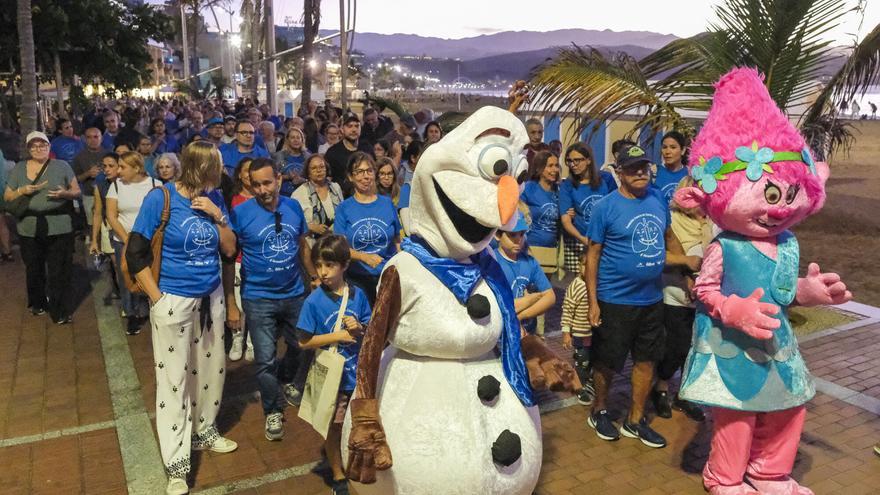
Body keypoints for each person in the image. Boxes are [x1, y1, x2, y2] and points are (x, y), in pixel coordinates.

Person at [127, 141, 237, 495]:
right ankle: (177, 463)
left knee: (211, 367)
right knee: (174, 381)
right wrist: (157, 299)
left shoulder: (213, 199)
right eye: (214, 168)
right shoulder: (161, 199)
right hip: (173, 297)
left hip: (211, 297)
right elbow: (135, 251)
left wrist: (217, 216)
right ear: (198, 168)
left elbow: (230, 248)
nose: (218, 175)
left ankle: (205, 429)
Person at [584, 144, 697, 449]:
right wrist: (593, 301)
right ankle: (600, 410)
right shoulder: (605, 207)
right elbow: (592, 255)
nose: (639, 173)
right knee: (607, 362)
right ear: (619, 173)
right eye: (632, 168)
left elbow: (669, 238)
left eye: (643, 167)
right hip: (614, 300)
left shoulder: (658, 199)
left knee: (647, 361)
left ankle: (635, 420)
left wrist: (687, 271)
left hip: (651, 299)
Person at [231, 157, 316, 441]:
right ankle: (272, 410)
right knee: (265, 359)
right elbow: (229, 256)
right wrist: (232, 300)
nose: (263, 189)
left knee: (300, 345)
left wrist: (313, 278)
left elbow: (301, 244)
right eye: (256, 185)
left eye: (267, 182)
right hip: (258, 297)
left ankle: (288, 379)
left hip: (294, 292)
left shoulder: (292, 206)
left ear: (279, 179)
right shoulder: (241, 213)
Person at [296, 234, 371, 495]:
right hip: (332, 377)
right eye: (319, 265)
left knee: (359, 424)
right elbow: (304, 342)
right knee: (334, 427)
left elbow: (368, 330)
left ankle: (356, 464)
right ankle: (338, 474)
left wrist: (359, 327)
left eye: (329, 265)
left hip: (357, 374)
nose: (323, 272)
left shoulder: (358, 295)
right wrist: (338, 335)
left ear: (345, 265)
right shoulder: (313, 301)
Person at [4, 131, 81, 324]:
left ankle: (60, 310)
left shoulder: (61, 166)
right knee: (34, 267)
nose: (39, 149)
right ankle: (37, 302)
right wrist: (23, 190)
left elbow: (77, 191)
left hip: (59, 225)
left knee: (59, 269)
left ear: (49, 147)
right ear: (29, 149)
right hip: (29, 227)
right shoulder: (19, 169)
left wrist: (65, 194)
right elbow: (7, 197)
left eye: (43, 145)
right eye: (34, 146)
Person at [652, 176, 709, 422]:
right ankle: (661, 388)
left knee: (697, 349)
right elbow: (660, 257)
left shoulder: (712, 222)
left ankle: (685, 395)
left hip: (706, 301)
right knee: (676, 346)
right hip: (675, 296)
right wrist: (687, 272)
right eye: (694, 187)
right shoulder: (673, 220)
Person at [333, 152, 401, 305]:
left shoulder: (387, 203)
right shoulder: (344, 208)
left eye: (369, 171)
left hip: (388, 275)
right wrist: (364, 257)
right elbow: (341, 248)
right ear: (350, 177)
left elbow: (397, 240)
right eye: (359, 172)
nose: (366, 176)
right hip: (358, 279)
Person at [106, 151, 159, 334]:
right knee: (127, 276)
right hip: (125, 240)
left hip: (149, 241)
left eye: (123, 167)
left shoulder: (154, 185)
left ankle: (150, 308)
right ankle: (131, 313)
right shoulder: (117, 186)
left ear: (137, 168)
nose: (118, 171)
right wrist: (128, 238)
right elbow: (111, 216)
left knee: (151, 274)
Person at [558, 142, 616, 277]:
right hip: (580, 241)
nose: (573, 164)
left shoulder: (605, 178)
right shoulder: (568, 185)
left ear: (588, 160)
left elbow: (616, 206)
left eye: (577, 160)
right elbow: (566, 220)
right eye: (569, 161)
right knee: (581, 286)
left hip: (607, 240)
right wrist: (584, 239)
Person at [494, 213, 556, 336]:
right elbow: (497, 306)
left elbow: (550, 297)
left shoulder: (530, 262)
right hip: (500, 332)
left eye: (522, 234)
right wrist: (530, 300)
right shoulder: (492, 261)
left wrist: (521, 316)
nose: (519, 240)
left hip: (526, 330)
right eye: (512, 235)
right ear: (497, 235)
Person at [227, 157, 256, 363]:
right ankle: (238, 338)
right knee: (237, 302)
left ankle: (252, 342)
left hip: (257, 259)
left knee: (254, 303)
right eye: (246, 170)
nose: (249, 174)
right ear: (239, 174)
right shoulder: (233, 199)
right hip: (239, 258)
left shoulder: (263, 197)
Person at [561, 252, 594, 406]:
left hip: (593, 332)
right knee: (582, 361)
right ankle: (579, 387)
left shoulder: (596, 282)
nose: (587, 268)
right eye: (584, 265)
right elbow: (567, 310)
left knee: (591, 359)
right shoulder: (576, 286)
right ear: (579, 267)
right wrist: (567, 333)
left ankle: (587, 382)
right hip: (580, 333)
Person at [89, 153, 122, 304]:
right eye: (104, 166)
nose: (107, 170)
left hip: (125, 226)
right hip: (108, 226)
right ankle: (123, 296)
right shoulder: (101, 183)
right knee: (116, 263)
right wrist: (94, 240)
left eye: (111, 166)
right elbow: (97, 212)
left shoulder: (127, 183)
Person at [291, 154, 344, 247]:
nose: (318, 170)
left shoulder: (336, 187)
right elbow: (292, 223)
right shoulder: (298, 194)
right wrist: (310, 227)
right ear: (308, 172)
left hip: (337, 242)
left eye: (321, 167)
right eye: (314, 168)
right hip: (312, 244)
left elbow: (343, 213)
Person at [520, 150, 561, 268]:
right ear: (539, 168)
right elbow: (519, 215)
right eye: (550, 166)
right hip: (530, 248)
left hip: (551, 249)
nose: (555, 170)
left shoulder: (559, 191)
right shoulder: (528, 188)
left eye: (556, 165)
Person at [72, 128, 108, 237]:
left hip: (107, 195)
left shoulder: (109, 154)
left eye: (96, 136)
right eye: (89, 137)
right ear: (85, 139)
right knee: (92, 223)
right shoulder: (79, 157)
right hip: (88, 195)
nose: (92, 140)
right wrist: (88, 174)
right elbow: (75, 179)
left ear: (101, 138)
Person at [324, 115, 371, 194]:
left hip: (366, 195)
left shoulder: (368, 149)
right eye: (349, 126)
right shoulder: (332, 152)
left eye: (356, 126)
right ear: (342, 129)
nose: (353, 129)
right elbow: (327, 179)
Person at [653, 131, 690, 205]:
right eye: (664, 147)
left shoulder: (690, 174)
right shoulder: (654, 172)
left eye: (673, 147)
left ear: (683, 150)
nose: (667, 152)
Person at [272, 127, 309, 197]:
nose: (296, 140)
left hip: (304, 195)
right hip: (283, 196)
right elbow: (271, 177)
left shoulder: (308, 157)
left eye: (298, 138)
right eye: (292, 137)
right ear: (287, 140)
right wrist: (287, 177)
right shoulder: (278, 156)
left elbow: (313, 178)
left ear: (302, 140)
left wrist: (303, 180)